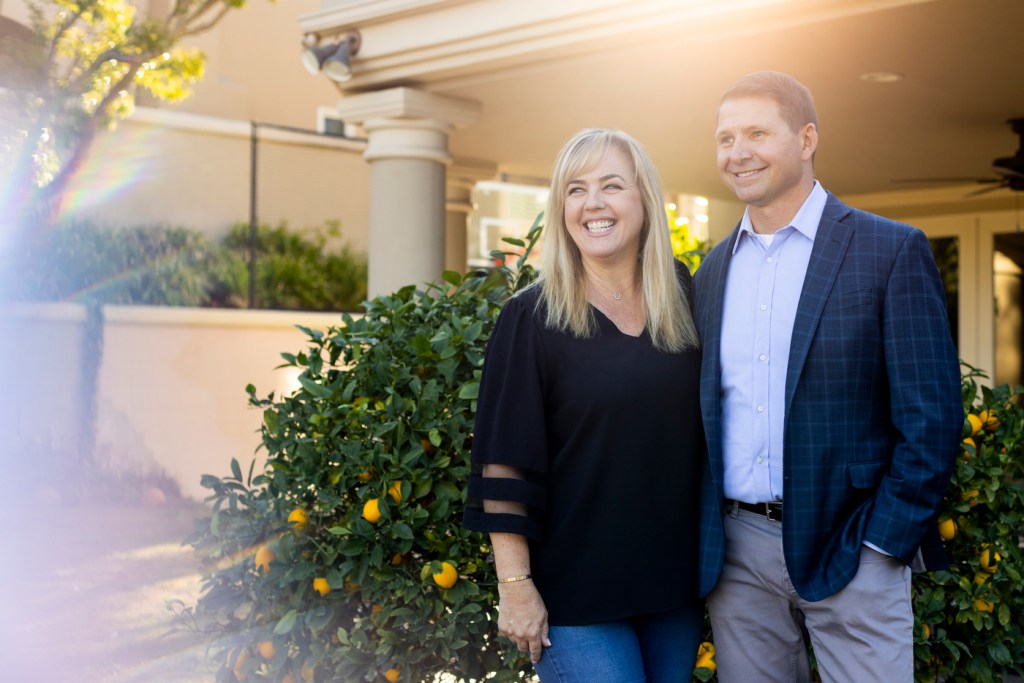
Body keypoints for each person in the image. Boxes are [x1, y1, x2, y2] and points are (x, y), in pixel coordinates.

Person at [692, 70, 963, 682]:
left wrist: (883, 545)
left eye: (757, 133)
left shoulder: (888, 250)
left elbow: (933, 416)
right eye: (725, 138)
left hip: (853, 543)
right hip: (738, 556)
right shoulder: (709, 273)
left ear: (807, 138)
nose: (738, 153)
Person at [463, 128, 705, 682]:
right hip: (574, 591)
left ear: (644, 198)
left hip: (673, 585)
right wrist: (516, 587)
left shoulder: (685, 298)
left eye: (611, 185)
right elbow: (503, 463)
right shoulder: (532, 317)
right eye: (575, 190)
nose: (592, 203)